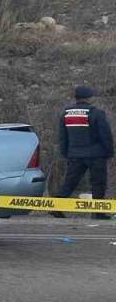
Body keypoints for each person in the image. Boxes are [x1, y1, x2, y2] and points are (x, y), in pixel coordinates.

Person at [53, 85, 113, 219]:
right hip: (96, 155)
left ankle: (56, 207)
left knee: (70, 182)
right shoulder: (96, 113)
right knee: (98, 183)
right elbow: (105, 135)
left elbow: (63, 137)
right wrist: (109, 152)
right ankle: (98, 213)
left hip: (75, 154)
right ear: (89, 98)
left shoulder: (66, 113)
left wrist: (66, 153)